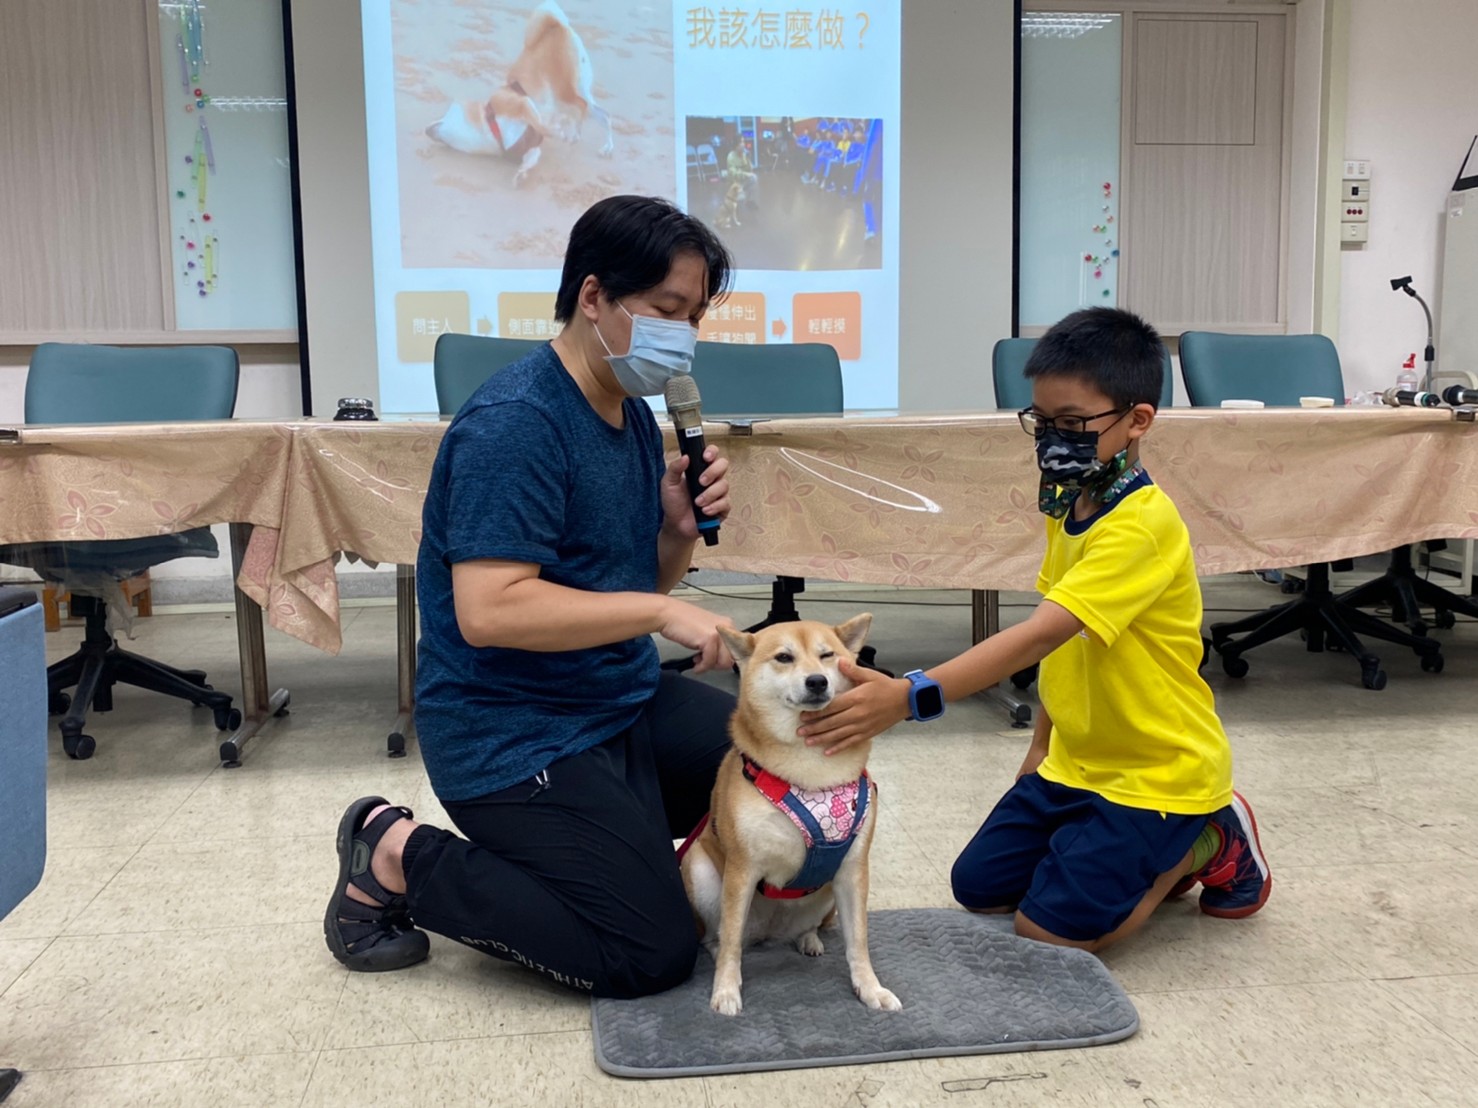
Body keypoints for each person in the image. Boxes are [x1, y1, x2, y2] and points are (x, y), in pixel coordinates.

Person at [323, 196, 741, 998]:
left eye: (693, 315)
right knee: (646, 954)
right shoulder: (517, 422)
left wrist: (677, 532)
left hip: (610, 698)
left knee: (774, 755)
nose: (683, 335)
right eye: (666, 310)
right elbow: (491, 611)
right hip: (512, 733)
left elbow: (622, 589)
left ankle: (608, 848)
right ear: (593, 297)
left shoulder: (625, 412)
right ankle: (395, 854)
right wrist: (663, 613)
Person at [797, 307, 1271, 952]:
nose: (1054, 439)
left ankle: (1207, 840)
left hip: (1159, 773)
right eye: (1042, 423)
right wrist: (1041, 750)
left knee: (1049, 932)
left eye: (1074, 424)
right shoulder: (1071, 501)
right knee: (979, 888)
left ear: (1138, 420)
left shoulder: (1142, 525)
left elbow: (1044, 633)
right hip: (1078, 763)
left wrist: (909, 696)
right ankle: (1111, 848)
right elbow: (1066, 649)